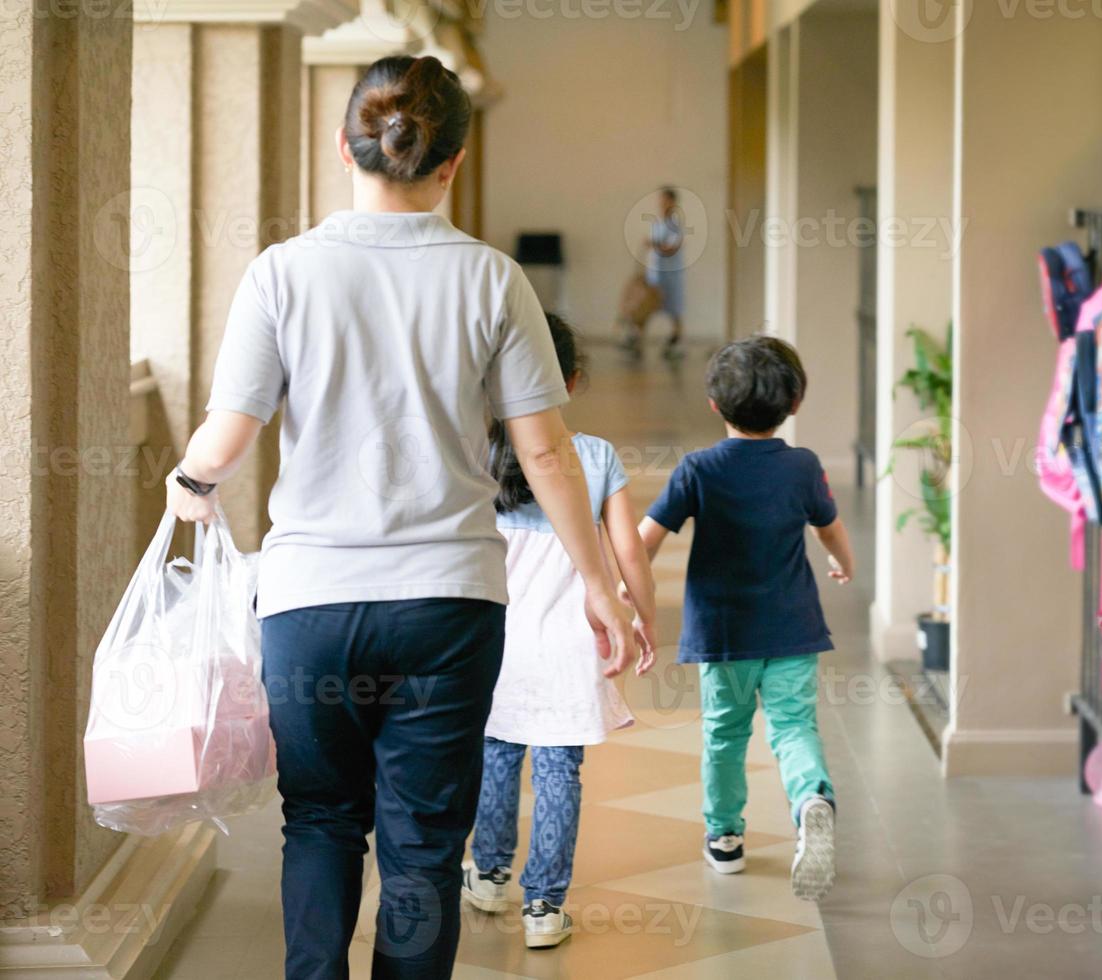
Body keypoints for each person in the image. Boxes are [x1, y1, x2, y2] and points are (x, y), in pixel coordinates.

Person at [164, 55, 636, 980]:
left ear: (344, 146)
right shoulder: (495, 281)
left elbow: (228, 436)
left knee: (323, 823)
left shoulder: (281, 273)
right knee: (423, 841)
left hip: (309, 606)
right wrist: (601, 584)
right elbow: (544, 453)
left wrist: (190, 481)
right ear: (453, 163)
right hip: (448, 607)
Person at [633, 336, 856, 902]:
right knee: (794, 728)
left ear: (714, 403)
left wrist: (626, 597)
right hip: (792, 629)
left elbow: (646, 539)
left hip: (724, 636)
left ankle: (725, 837)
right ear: (795, 403)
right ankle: (811, 799)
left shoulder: (698, 469)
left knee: (725, 736)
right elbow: (828, 526)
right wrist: (843, 559)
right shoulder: (803, 467)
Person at [461, 316, 657, 949]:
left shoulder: (473, 453)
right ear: (570, 382)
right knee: (559, 773)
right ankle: (544, 907)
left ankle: (488, 875)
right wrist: (642, 617)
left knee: (495, 757)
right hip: (569, 647)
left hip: (492, 641)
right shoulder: (595, 457)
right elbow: (630, 553)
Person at [643, 186, 686, 358]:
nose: (662, 203)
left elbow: (672, 247)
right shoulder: (657, 224)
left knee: (673, 307)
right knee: (647, 305)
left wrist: (653, 244)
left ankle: (676, 340)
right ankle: (637, 339)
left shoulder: (675, 225)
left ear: (673, 202)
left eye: (665, 200)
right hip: (655, 273)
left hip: (670, 274)